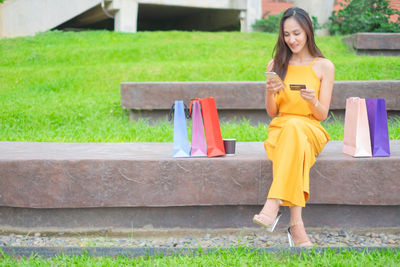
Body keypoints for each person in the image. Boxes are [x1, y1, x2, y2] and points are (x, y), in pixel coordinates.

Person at [252, 7, 335, 247]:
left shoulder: (324, 66)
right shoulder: (276, 64)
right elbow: (272, 112)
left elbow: (322, 114)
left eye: (297, 33)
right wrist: (269, 93)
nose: (292, 40)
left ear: (308, 31)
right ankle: (296, 226)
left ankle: (273, 201)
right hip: (281, 129)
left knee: (297, 128)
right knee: (292, 134)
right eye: (287, 35)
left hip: (311, 129)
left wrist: (313, 101)